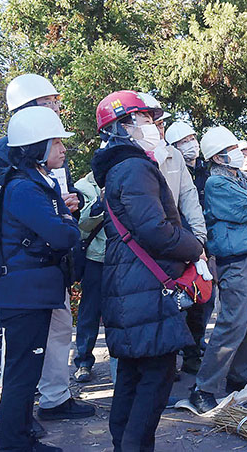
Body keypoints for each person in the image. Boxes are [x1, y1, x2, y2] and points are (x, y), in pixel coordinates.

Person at [90, 91, 203, 451]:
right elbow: (155, 229)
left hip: (130, 284)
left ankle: (123, 444)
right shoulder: (137, 168)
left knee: (132, 377)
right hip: (146, 289)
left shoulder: (118, 169)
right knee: (155, 379)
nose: (154, 127)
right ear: (123, 127)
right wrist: (194, 247)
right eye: (145, 119)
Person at [0, 74, 93, 425]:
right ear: (28, 109)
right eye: (50, 100)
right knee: (14, 341)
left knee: (57, 331)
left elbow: (62, 194)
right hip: (18, 265)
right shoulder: (4, 156)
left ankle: (54, 398)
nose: (58, 104)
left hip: (47, 265)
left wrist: (72, 203)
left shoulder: (48, 151)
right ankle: (13, 411)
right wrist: (55, 219)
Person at [0, 106, 79, 452]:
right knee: (21, 376)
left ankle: (22, 439)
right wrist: (68, 221)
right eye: (56, 142)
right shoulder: (25, 189)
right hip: (25, 295)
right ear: (36, 147)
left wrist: (63, 218)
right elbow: (63, 236)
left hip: (28, 292)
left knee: (26, 374)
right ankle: (15, 445)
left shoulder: (33, 184)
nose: (62, 149)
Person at [188, 126, 247, 413]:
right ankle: (203, 388)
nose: (240, 154)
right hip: (236, 261)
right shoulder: (215, 185)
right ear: (218, 158)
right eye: (233, 150)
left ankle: (240, 380)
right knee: (232, 324)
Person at [138, 94, 209, 375]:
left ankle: (186, 357)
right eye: (150, 120)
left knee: (191, 304)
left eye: (160, 122)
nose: (158, 127)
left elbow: (189, 198)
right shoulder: (130, 161)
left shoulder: (174, 156)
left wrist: (200, 241)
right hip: (143, 249)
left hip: (177, 243)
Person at [71, 171, 106, 383]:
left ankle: (125, 362)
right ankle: (83, 361)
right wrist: (100, 202)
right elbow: (82, 225)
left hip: (123, 256)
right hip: (96, 257)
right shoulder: (83, 186)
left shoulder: (128, 177)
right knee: (90, 311)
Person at [165, 121, 208, 205]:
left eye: (192, 139)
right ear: (174, 147)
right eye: (184, 142)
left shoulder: (206, 168)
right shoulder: (173, 173)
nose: (191, 144)